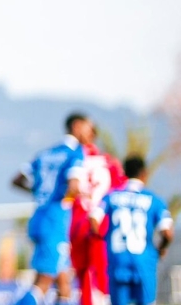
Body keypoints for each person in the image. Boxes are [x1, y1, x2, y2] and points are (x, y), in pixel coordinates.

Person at [11, 113, 92, 305]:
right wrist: (77, 196)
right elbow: (73, 186)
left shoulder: (45, 153)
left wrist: (39, 192)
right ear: (77, 126)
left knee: (64, 282)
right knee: (43, 282)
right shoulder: (75, 152)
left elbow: (17, 180)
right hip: (55, 221)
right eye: (90, 128)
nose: (91, 134)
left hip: (39, 217)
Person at [90, 156, 173, 305]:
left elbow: (94, 220)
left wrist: (104, 239)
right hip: (144, 261)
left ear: (125, 173)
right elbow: (167, 233)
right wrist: (161, 248)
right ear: (143, 173)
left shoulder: (111, 197)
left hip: (117, 261)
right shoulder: (154, 200)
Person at [72, 131, 128, 305]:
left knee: (84, 274)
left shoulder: (72, 160)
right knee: (102, 273)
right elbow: (122, 190)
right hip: (103, 227)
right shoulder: (109, 163)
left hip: (78, 225)